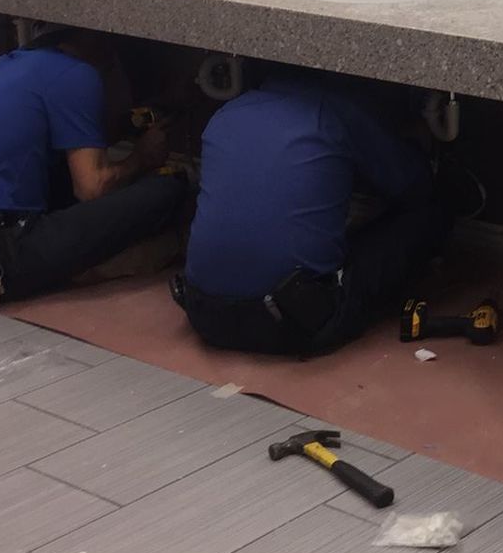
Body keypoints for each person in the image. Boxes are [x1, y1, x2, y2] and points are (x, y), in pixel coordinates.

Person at [174, 67, 449, 355]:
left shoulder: (226, 114)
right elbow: (414, 185)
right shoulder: (334, 111)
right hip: (293, 323)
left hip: (202, 313)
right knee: (430, 214)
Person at [0, 27, 187, 304]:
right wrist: (141, 158)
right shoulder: (78, 74)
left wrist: (125, 128)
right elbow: (92, 188)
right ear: (97, 37)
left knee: (66, 178)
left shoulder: (8, 66)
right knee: (167, 190)